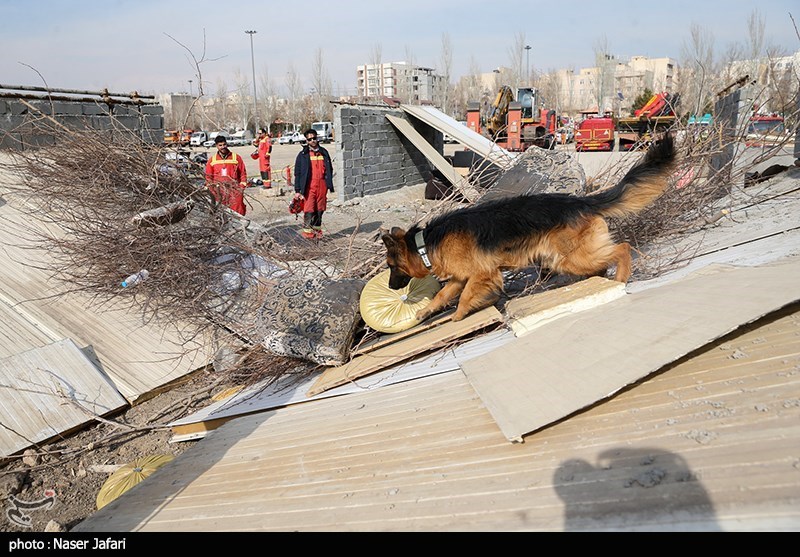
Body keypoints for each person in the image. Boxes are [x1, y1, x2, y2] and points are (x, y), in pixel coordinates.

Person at [293, 128, 333, 239]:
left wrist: (329, 183)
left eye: (314, 138)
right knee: (309, 210)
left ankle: (317, 235)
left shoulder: (324, 152)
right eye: (309, 139)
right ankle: (308, 236)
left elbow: (330, 169)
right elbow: (298, 173)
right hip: (309, 187)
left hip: (322, 186)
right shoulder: (303, 155)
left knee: (320, 210)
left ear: (317, 138)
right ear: (306, 141)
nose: (312, 141)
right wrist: (297, 190)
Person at [205, 135, 248, 215]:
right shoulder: (212, 160)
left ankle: (239, 227)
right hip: (219, 192)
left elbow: (243, 174)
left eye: (224, 144)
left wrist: (241, 188)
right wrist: (212, 191)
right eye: (220, 145)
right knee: (221, 213)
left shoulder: (236, 158)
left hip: (234, 190)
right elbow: (208, 177)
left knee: (238, 211)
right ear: (216, 146)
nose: (223, 147)